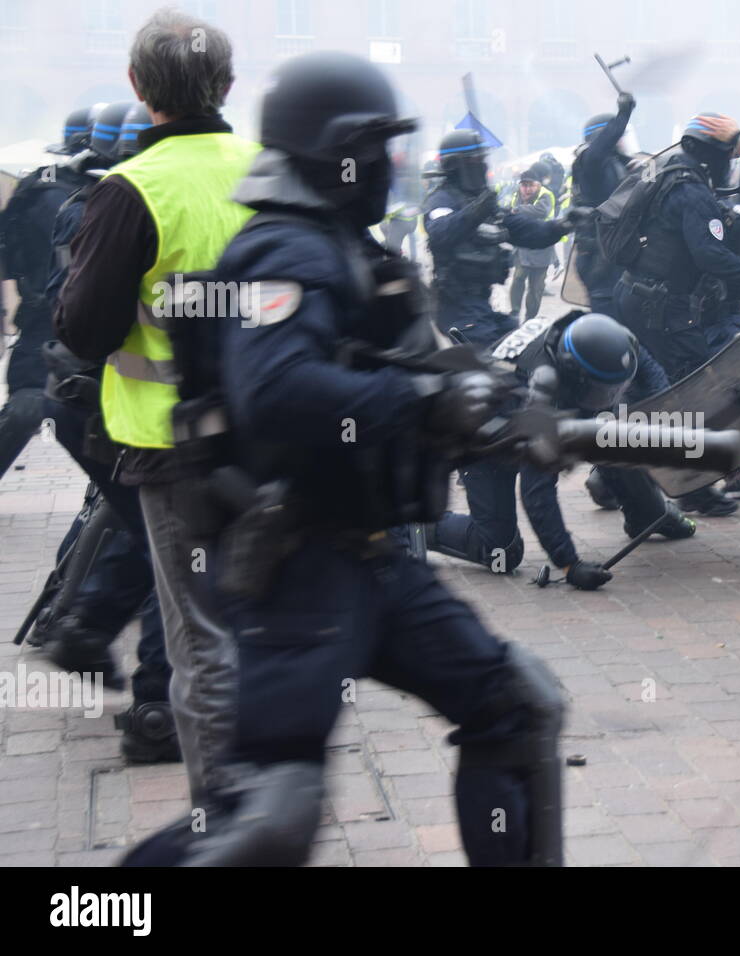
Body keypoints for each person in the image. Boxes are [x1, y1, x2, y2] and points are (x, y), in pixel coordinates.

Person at [123, 50, 566, 867]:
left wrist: (491, 407)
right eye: (379, 147)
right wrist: (425, 405)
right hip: (299, 573)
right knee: (270, 814)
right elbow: (280, 393)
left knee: (517, 707)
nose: (391, 167)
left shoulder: (341, 246)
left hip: (372, 561)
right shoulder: (288, 250)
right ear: (336, 151)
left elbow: (387, 372)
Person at [53, 8, 260, 803]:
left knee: (198, 643)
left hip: (170, 452)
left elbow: (84, 329)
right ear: (228, 85)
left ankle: (227, 826)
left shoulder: (130, 190)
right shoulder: (270, 169)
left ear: (138, 88)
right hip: (270, 435)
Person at [39, 99, 178, 764]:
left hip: (85, 400)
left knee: (147, 526)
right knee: (171, 545)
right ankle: (156, 706)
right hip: (104, 406)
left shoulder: (93, 199)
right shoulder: (120, 204)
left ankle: (84, 627)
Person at [431, 311, 694, 590]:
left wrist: (668, 411)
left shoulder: (605, 336)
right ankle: (417, 527)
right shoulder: (542, 399)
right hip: (484, 443)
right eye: (601, 391)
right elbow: (537, 493)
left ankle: (646, 515)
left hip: (541, 404)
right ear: (575, 376)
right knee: (501, 553)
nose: (609, 399)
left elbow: (646, 366)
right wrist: (570, 565)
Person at [613, 114, 740, 517]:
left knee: (645, 390)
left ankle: (612, 477)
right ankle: (692, 489)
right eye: (726, 154)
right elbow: (708, 254)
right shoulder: (692, 191)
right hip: (665, 307)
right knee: (691, 392)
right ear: (711, 154)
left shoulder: (666, 174)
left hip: (636, 296)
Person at [0, 105, 103, 482]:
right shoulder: (73, 194)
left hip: (45, 316)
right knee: (36, 402)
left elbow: (9, 258)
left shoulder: (39, 186)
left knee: (33, 400)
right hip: (63, 318)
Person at [424, 130, 584, 348]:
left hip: (482, 304)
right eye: (475, 160)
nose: (482, 166)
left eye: (483, 159)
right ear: (455, 165)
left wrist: (563, 225)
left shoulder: (483, 201)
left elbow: (527, 231)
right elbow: (440, 233)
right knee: (495, 364)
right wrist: (474, 212)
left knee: (526, 346)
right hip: (456, 308)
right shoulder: (442, 199)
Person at [570, 93, 636, 315]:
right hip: (599, 258)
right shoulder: (590, 163)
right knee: (608, 318)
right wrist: (622, 115)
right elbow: (599, 151)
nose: (622, 141)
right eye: (619, 136)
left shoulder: (618, 165)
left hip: (615, 252)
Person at [507, 164, 557, 321]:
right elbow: (510, 213)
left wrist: (518, 210)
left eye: (531, 185)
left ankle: (530, 318)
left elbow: (541, 212)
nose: (527, 189)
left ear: (538, 185)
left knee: (536, 288)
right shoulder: (516, 196)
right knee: (518, 279)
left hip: (542, 247)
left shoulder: (546, 195)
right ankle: (514, 311)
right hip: (522, 247)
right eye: (524, 185)